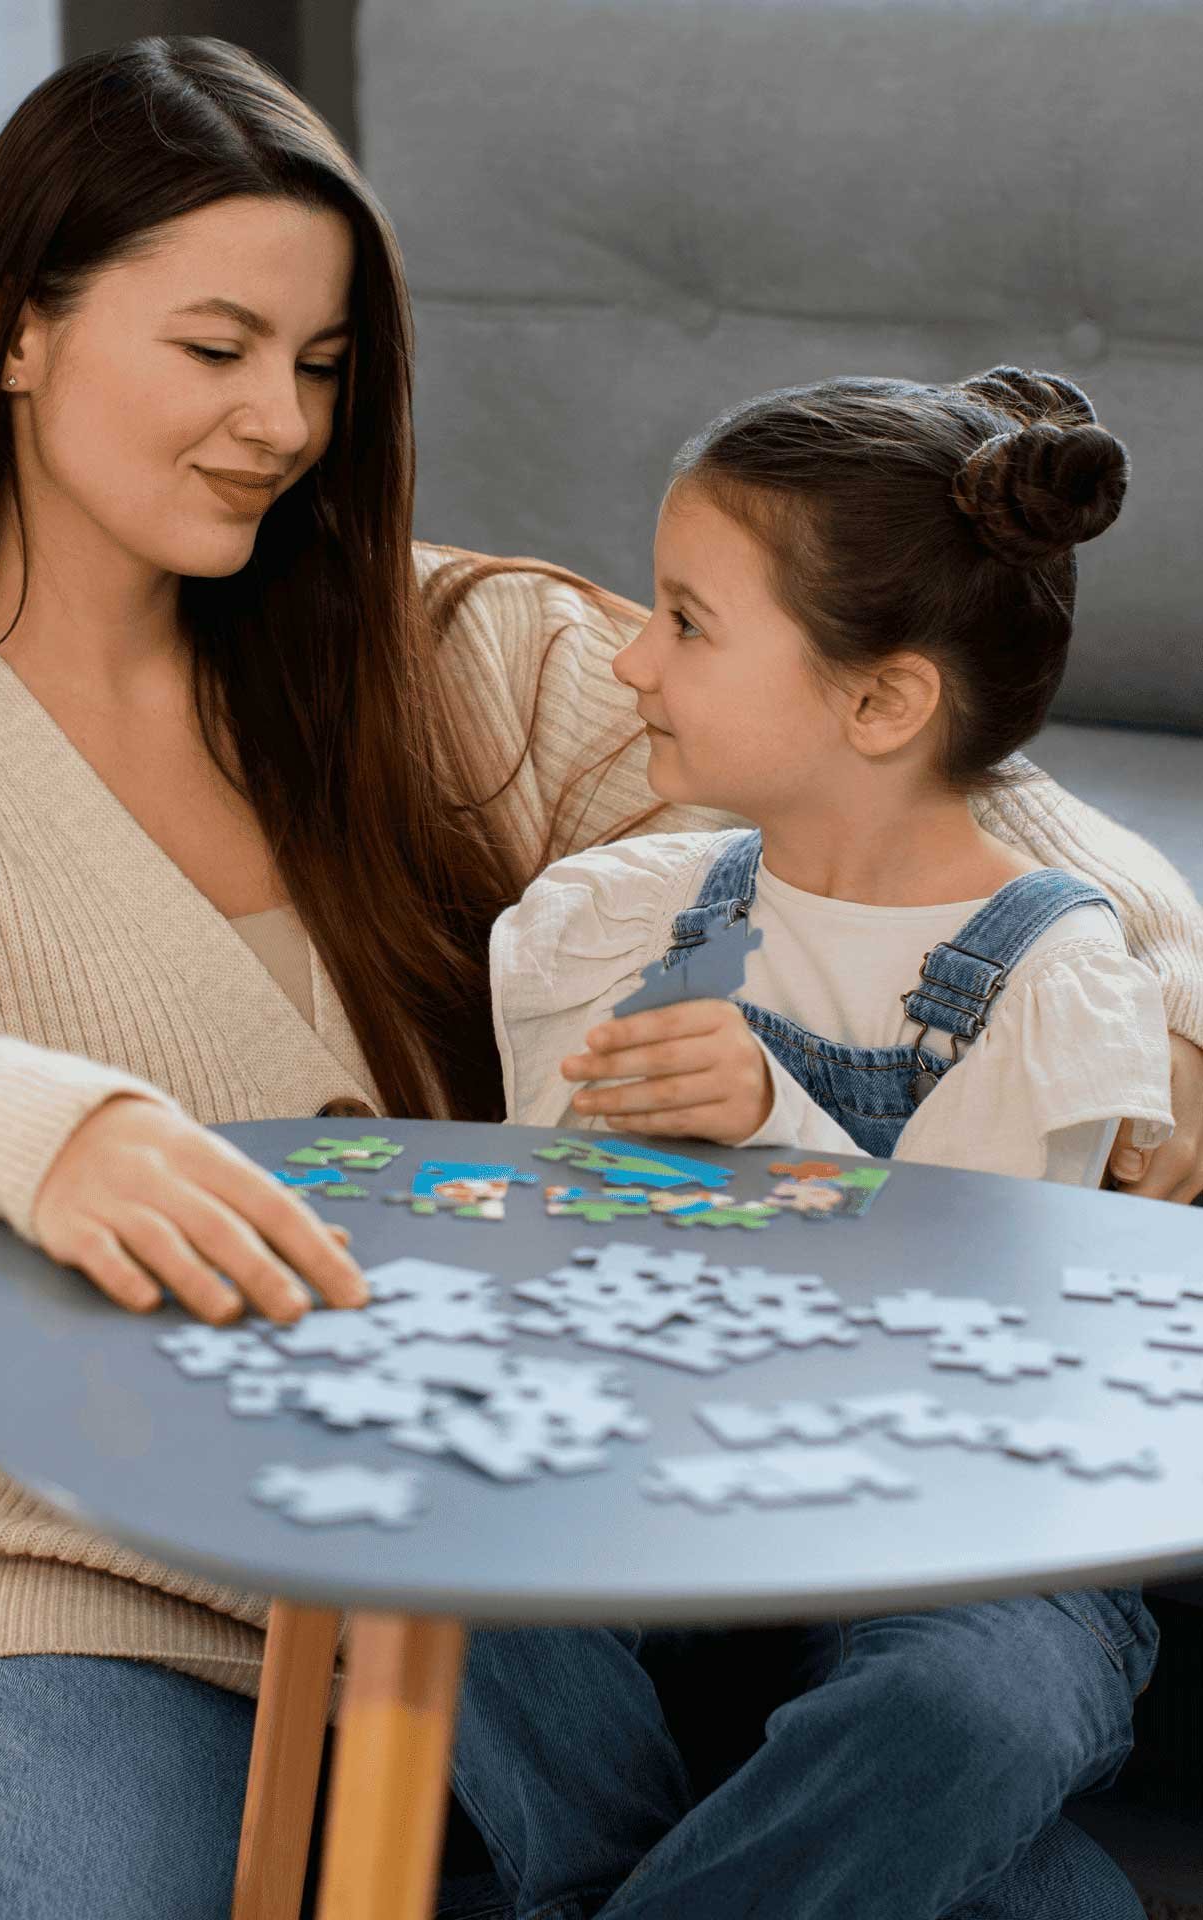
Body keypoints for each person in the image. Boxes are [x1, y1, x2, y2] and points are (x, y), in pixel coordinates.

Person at [0, 34, 1199, 1918]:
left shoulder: (450, 647)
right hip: (90, 1572)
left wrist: (1163, 993)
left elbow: (912, 773)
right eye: (215, 347)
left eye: (321, 366)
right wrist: (36, 1130)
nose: (283, 422)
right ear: (16, 329)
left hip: (538, 1588)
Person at [452, 369, 1180, 1919]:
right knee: (437, 1568)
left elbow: (967, 1346)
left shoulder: (1056, 977)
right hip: (670, 1487)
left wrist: (769, 1121)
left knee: (977, 1715)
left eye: (687, 621)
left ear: (880, 702)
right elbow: (546, 1263)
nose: (630, 660)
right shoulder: (623, 918)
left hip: (969, 1543)